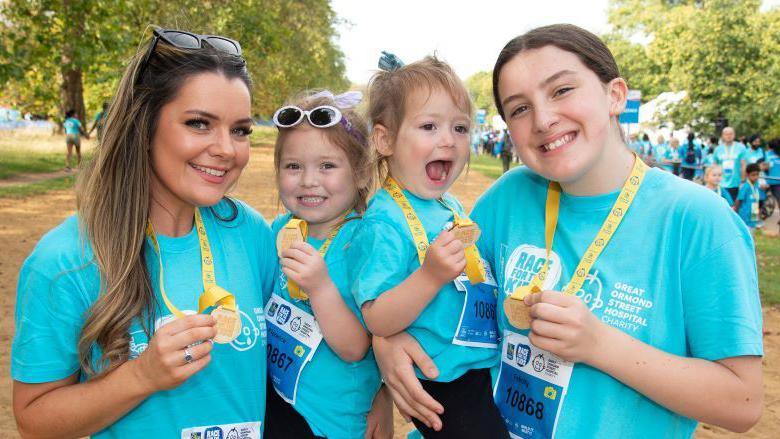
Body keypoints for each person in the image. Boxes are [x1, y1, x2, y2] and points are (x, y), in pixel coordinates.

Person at [373, 24, 763, 438]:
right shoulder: (508, 197)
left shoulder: (697, 220)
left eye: (561, 90)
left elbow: (742, 402)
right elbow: (428, 290)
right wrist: (386, 340)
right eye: (519, 108)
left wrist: (599, 344)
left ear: (615, 95)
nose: (543, 119)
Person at [11, 29, 274, 437]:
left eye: (240, 130)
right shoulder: (66, 260)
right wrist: (141, 376)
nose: (227, 148)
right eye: (200, 123)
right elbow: (34, 419)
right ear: (144, 125)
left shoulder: (250, 232)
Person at [351, 56, 506, 437]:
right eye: (428, 126)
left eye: (459, 127)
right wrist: (431, 275)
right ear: (384, 139)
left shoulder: (446, 203)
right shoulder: (384, 220)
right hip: (441, 380)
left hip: (477, 367)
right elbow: (377, 319)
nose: (448, 139)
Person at [262, 90, 385, 438]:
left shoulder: (368, 240)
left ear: (361, 174)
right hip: (275, 406)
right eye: (293, 166)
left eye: (327, 166)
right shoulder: (278, 231)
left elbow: (355, 347)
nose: (308, 180)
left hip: (332, 424)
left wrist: (320, 287)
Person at [714, 126, 748, 201]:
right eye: (726, 134)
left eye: (730, 134)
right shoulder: (717, 149)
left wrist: (742, 181)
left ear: (734, 135)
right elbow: (714, 166)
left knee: (733, 207)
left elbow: (744, 165)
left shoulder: (741, 147)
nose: (728, 136)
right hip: (721, 183)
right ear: (722, 136)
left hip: (736, 183)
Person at [733, 163, 765, 229]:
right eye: (753, 175)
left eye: (757, 175)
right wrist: (735, 214)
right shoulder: (745, 186)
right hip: (745, 214)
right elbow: (738, 200)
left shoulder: (756, 184)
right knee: (746, 232)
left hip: (754, 211)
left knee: (753, 231)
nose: (756, 177)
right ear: (747, 175)